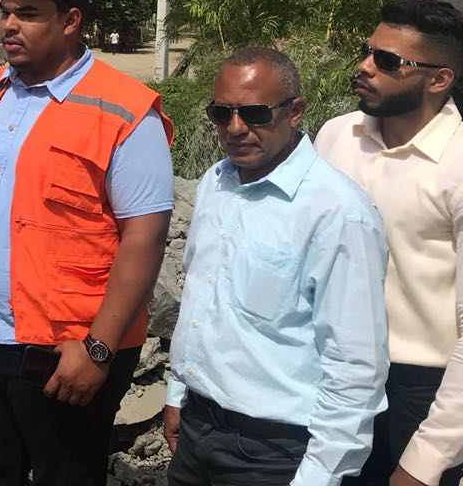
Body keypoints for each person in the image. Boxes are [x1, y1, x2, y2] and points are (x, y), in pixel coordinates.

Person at [0, 0, 175, 486]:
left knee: (67, 476)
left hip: (64, 350)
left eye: (29, 13)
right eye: (7, 11)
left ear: (71, 21)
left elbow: (145, 239)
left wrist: (99, 349)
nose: (9, 24)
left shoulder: (126, 111)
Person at [164, 47, 390, 486]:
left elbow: (356, 365)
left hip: (275, 453)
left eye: (254, 113)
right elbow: (200, 300)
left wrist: (319, 475)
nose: (235, 128)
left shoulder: (336, 213)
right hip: (198, 430)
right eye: (220, 112)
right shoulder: (217, 182)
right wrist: (179, 391)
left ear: (296, 111)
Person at [316, 0, 463, 486]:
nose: (364, 67)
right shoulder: (335, 137)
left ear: (439, 79)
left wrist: (427, 460)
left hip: (416, 391)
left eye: (388, 61)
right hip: (328, 375)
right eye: (367, 51)